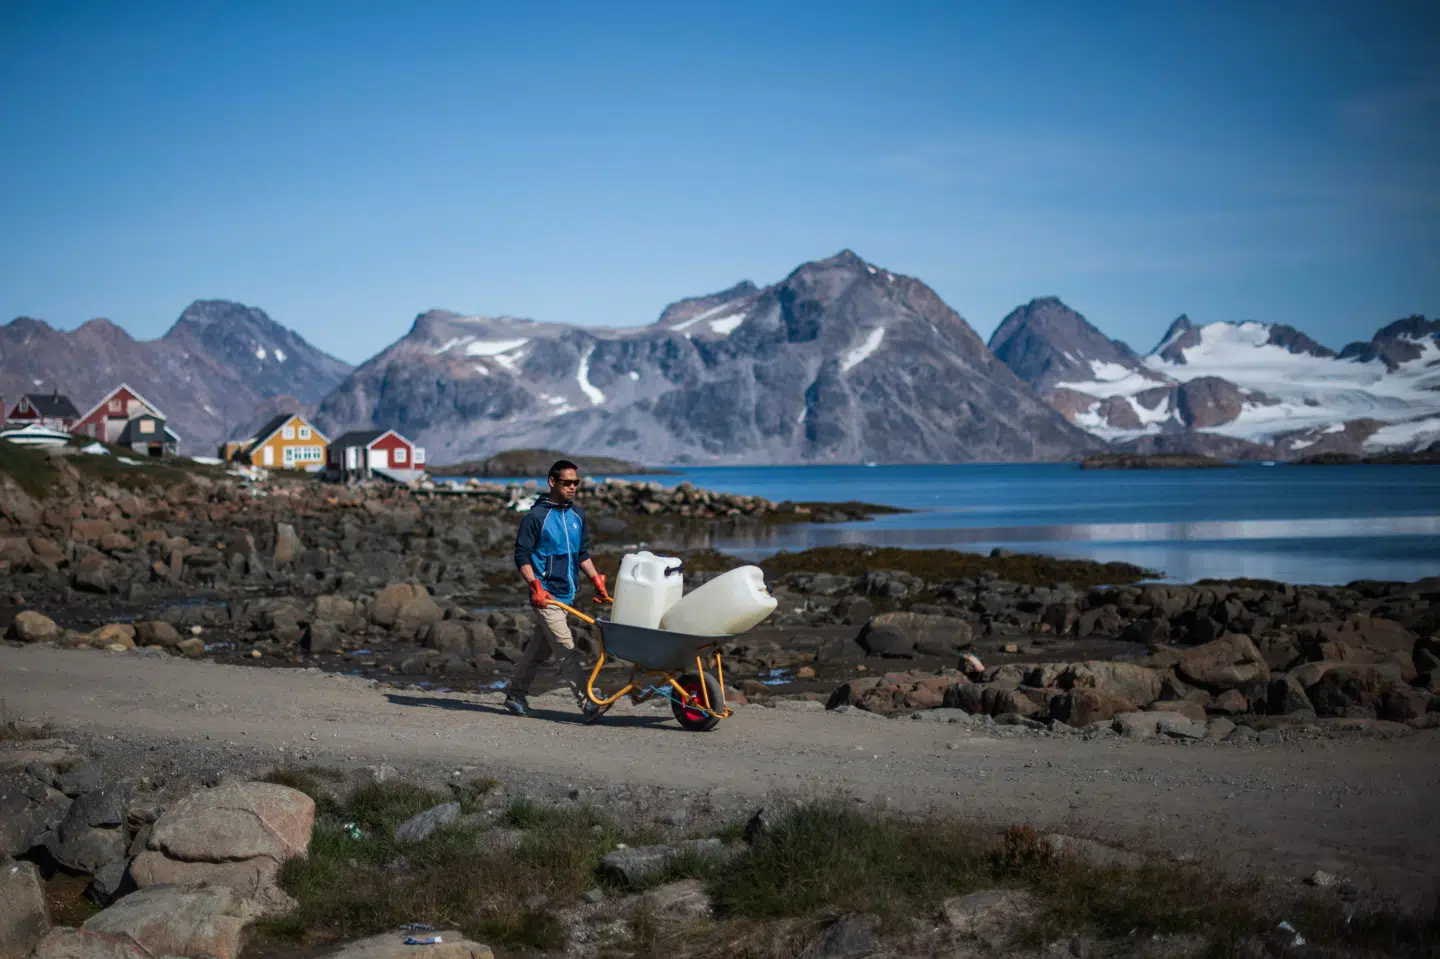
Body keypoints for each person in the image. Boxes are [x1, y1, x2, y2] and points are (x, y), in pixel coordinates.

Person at [504, 459, 614, 719]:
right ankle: (587, 703)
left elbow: (581, 554)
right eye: (567, 483)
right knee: (566, 647)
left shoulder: (578, 516)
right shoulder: (535, 517)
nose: (572, 487)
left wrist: (596, 580)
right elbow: (521, 555)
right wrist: (535, 587)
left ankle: (515, 696)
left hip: (567, 595)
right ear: (552, 482)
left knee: (539, 650)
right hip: (546, 596)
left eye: (576, 482)